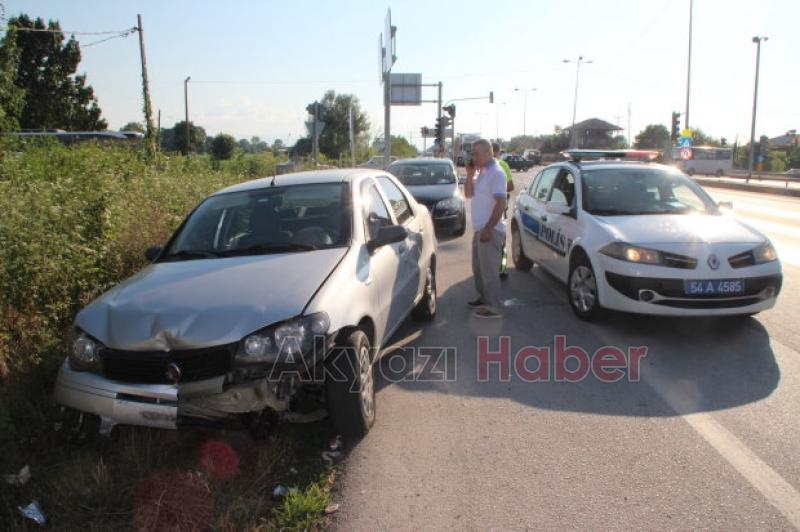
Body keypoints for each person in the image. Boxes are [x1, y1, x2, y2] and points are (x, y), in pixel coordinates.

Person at [464, 139, 507, 319]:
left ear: (489, 153)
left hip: (491, 229)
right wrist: (469, 175)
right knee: (479, 269)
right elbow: (468, 194)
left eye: (477, 154)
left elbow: (501, 203)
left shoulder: (496, 173)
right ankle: (484, 299)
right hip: (480, 228)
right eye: (472, 154)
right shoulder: (483, 171)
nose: (473, 157)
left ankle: (494, 307)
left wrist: (489, 228)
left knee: (489, 271)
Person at [493, 142, 513, 279]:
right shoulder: (503, 165)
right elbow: (511, 187)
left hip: (489, 208)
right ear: (499, 152)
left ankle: (492, 267)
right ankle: (503, 268)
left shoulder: (483, 166)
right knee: (501, 239)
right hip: (501, 208)